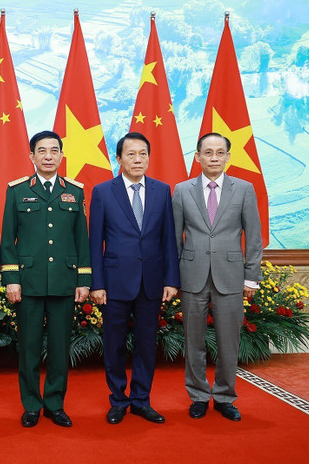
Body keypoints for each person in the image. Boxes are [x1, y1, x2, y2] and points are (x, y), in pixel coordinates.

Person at [0, 130, 91, 429]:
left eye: (54, 150)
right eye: (42, 151)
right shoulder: (17, 191)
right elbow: (8, 239)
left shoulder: (75, 192)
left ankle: (55, 403)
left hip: (64, 280)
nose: (48, 156)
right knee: (28, 347)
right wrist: (11, 278)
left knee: (59, 347)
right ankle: (31, 404)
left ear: (62, 155)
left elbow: (82, 239)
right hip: (29, 281)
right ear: (32, 156)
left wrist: (83, 279)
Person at [89, 131, 179, 425]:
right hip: (114, 282)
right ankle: (118, 400)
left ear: (149, 158)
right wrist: (97, 284)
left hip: (151, 281)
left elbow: (168, 239)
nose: (138, 159)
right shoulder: (103, 192)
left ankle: (141, 400)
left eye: (143, 154)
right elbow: (95, 242)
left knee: (146, 344)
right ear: (119, 159)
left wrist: (171, 279)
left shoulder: (161, 190)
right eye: (131, 154)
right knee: (114, 345)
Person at [172, 132, 262, 422]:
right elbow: (174, 238)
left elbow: (254, 236)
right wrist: (173, 277)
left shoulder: (244, 189)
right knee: (193, 340)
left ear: (228, 157)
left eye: (219, 153)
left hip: (230, 276)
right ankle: (198, 395)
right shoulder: (182, 190)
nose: (214, 158)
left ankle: (225, 397)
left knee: (229, 342)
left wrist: (251, 277)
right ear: (197, 157)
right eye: (208, 153)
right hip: (192, 275)